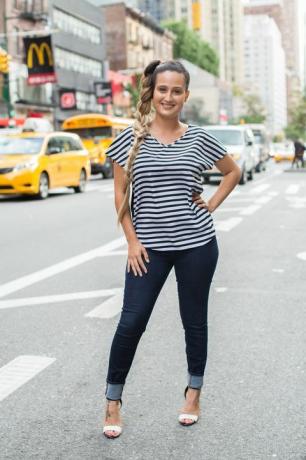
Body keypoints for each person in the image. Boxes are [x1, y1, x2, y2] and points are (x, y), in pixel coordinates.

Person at [103, 60, 241, 439]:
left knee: (194, 322)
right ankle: (113, 400)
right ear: (153, 91)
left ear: (185, 95)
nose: (168, 97)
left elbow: (233, 171)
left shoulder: (199, 138)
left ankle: (193, 394)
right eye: (162, 89)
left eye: (176, 91)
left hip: (197, 245)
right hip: (148, 249)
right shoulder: (130, 140)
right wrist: (131, 241)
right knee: (131, 321)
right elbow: (120, 195)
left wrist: (211, 205)